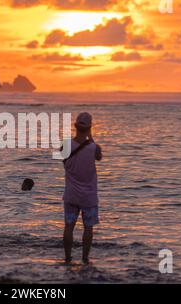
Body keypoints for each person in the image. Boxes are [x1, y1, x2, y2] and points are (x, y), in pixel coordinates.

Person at [62, 112, 102, 264]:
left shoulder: (65, 145)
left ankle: (67, 258)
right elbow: (99, 157)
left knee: (68, 227)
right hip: (89, 197)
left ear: (75, 126)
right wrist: (90, 137)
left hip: (71, 195)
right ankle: (85, 259)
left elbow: (63, 162)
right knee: (88, 228)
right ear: (90, 127)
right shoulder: (94, 148)